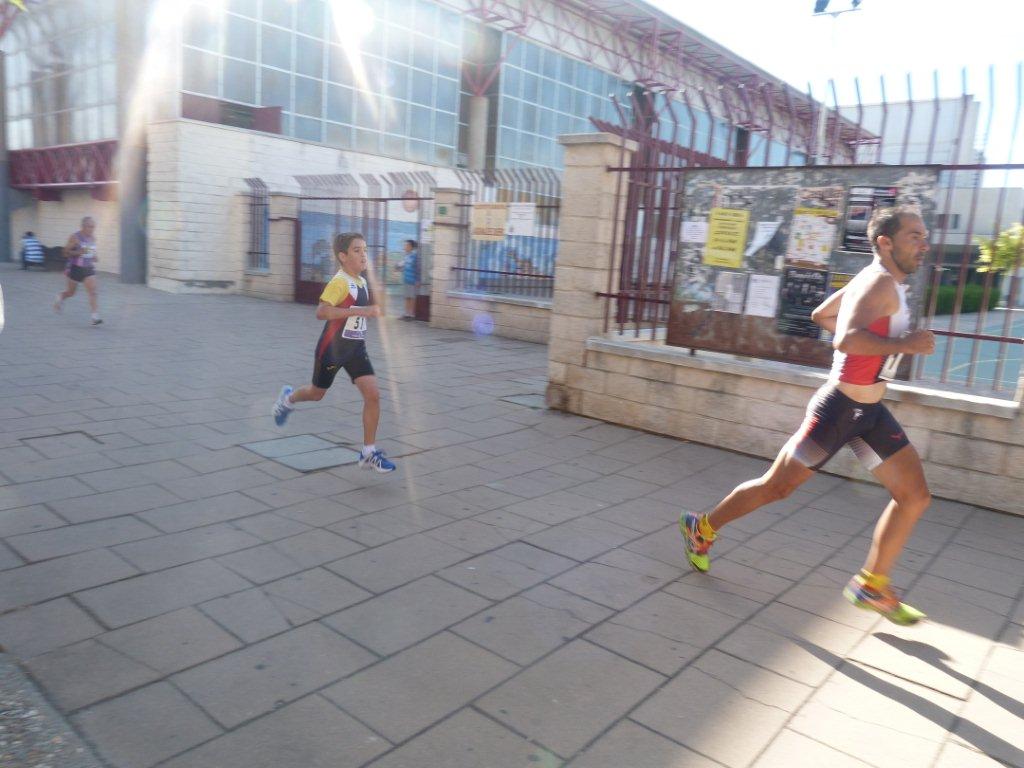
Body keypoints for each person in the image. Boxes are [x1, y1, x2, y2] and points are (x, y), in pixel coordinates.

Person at [681, 206, 936, 625]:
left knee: (914, 496)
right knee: (777, 487)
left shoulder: (878, 280)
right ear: (885, 242)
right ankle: (702, 527)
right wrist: (904, 344)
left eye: (924, 236)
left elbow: (822, 316)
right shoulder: (877, 283)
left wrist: (879, 343)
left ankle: (872, 585)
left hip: (869, 412)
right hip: (839, 410)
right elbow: (846, 340)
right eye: (915, 236)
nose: (924, 244)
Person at [272, 232, 396, 473]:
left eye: (365, 250)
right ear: (343, 256)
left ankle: (368, 453)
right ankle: (287, 399)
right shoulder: (339, 282)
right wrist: (361, 311)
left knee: (373, 395)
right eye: (357, 250)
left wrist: (372, 311)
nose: (364, 255)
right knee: (316, 393)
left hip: (356, 348)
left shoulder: (360, 281)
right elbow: (321, 312)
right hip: (332, 350)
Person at [53, 216, 102, 325]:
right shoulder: (75, 237)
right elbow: (64, 252)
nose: (92, 229)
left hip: (88, 268)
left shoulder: (93, 238)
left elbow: (91, 251)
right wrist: (78, 253)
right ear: (83, 226)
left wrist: (95, 256)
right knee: (71, 293)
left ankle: (95, 317)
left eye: (93, 227)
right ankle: (60, 297)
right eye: (90, 227)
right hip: (75, 268)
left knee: (93, 292)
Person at [401, 239, 419, 320]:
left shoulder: (414, 256)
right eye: (405, 245)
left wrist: (417, 280)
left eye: (406, 245)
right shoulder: (406, 256)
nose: (405, 247)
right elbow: (404, 266)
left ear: (411, 247)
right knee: (407, 297)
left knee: (411, 298)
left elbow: (418, 269)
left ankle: (411, 315)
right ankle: (406, 314)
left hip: (412, 281)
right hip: (406, 280)